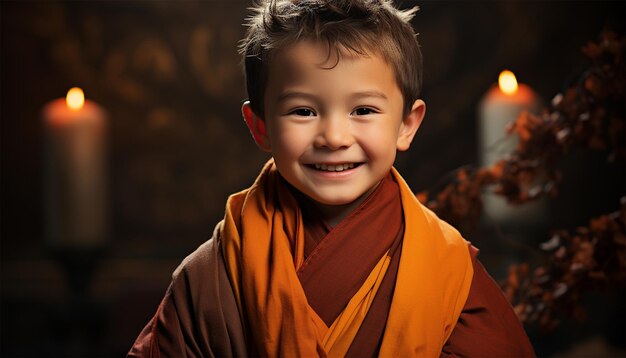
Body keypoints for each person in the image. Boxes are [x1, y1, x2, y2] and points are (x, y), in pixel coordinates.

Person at [128, 0, 535, 356]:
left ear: (407, 125)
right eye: (303, 111)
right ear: (260, 126)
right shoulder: (212, 275)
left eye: (363, 111)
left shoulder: (448, 271)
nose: (335, 138)